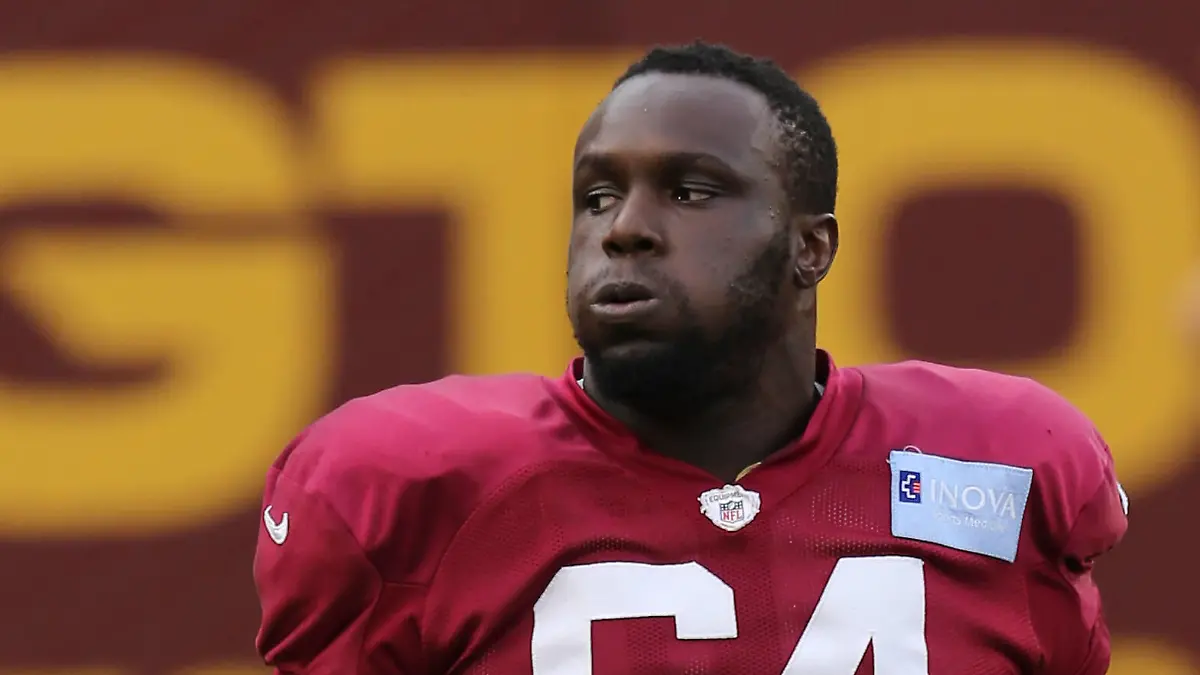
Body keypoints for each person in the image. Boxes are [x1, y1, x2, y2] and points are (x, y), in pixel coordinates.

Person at [254, 42, 1128, 674]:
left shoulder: (993, 465)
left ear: (810, 248)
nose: (624, 226)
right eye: (597, 195)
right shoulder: (409, 486)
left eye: (690, 190)